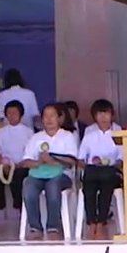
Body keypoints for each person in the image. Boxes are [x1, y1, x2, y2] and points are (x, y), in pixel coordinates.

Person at [21, 103, 79, 240]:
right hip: (39, 173)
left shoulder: (67, 136)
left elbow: (73, 161)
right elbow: (26, 161)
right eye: (45, 116)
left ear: (60, 118)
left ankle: (53, 226)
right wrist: (39, 162)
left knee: (53, 186)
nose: (49, 119)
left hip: (62, 175)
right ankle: (35, 227)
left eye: (52, 116)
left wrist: (54, 160)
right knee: (28, 185)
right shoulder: (36, 138)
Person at [78, 99, 123, 240]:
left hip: (112, 171)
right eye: (100, 114)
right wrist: (93, 163)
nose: (103, 118)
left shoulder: (119, 132)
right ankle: (92, 222)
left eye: (106, 114)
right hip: (92, 171)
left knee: (106, 178)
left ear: (112, 115)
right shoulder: (89, 134)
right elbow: (80, 159)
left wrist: (110, 163)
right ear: (95, 116)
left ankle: (101, 223)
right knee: (90, 181)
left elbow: (122, 160)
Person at [0, 100, 35, 221]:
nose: (12, 116)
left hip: (22, 165)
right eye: (9, 113)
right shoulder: (1, 132)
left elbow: (31, 153)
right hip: (4, 166)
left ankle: (16, 207)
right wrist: (2, 164)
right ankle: (2, 208)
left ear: (21, 115)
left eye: (15, 113)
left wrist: (19, 164)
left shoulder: (28, 132)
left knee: (18, 176)